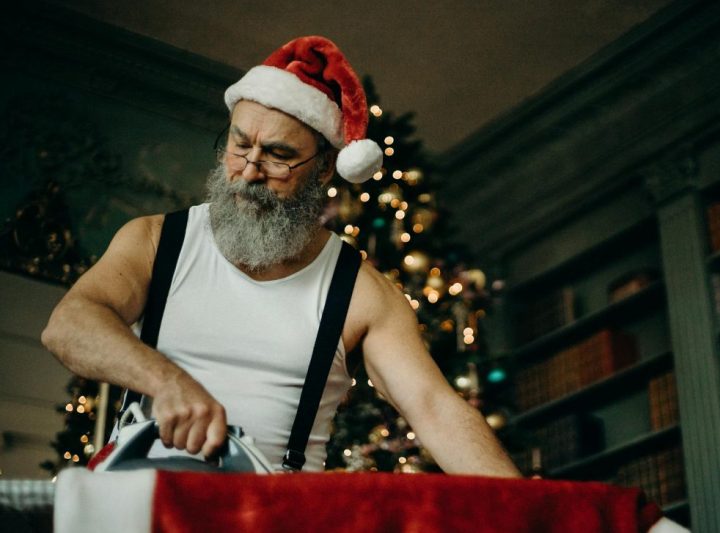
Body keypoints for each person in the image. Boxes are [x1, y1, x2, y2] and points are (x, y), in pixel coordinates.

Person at [41, 35, 521, 477]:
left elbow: (434, 409)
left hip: (274, 517)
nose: (249, 171)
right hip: (140, 503)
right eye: (239, 144)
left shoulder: (360, 292)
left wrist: (532, 511)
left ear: (325, 168)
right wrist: (167, 382)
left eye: (277, 154)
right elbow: (69, 326)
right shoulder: (154, 240)